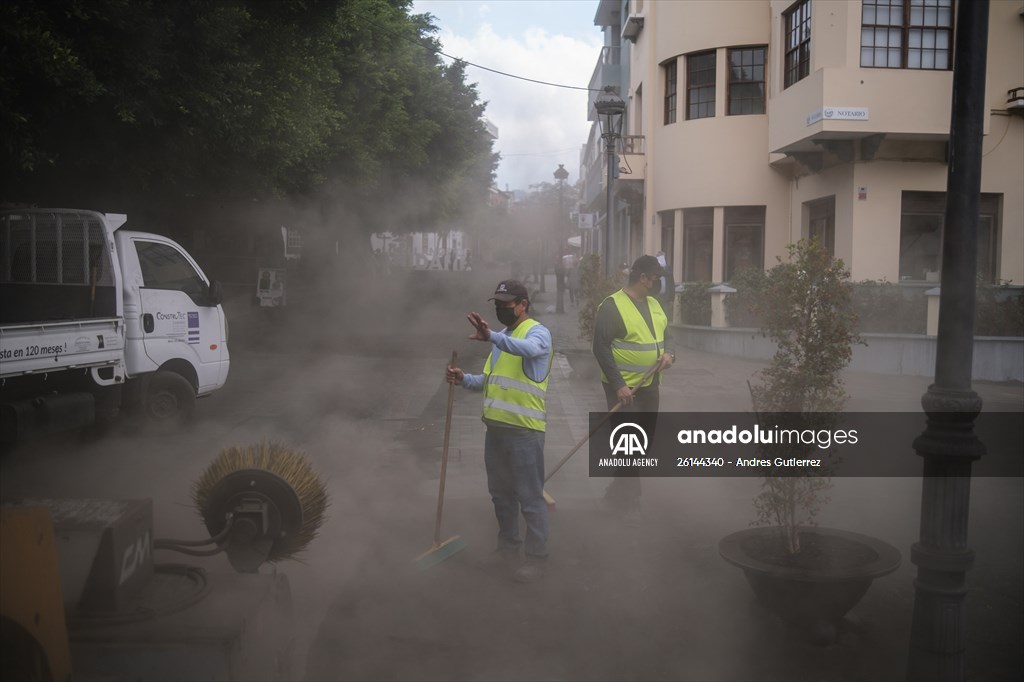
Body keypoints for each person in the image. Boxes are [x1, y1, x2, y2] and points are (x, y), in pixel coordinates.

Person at [446, 280, 554, 583]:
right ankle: (507, 550)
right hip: (496, 431)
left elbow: (528, 350)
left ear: (523, 304)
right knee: (501, 496)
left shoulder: (538, 333)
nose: (500, 308)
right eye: (497, 303)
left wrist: (491, 336)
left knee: (530, 498)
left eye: (506, 303)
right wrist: (463, 379)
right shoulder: (502, 338)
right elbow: (490, 380)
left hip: (525, 432)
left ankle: (537, 558)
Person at [592, 255, 675, 523]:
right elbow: (600, 347)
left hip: (650, 385)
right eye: (656, 278)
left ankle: (615, 493)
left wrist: (669, 354)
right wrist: (618, 385)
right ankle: (630, 502)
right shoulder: (612, 306)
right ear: (643, 278)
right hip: (625, 391)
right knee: (630, 444)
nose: (658, 283)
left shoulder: (655, 305)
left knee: (644, 444)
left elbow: (667, 336)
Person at [656, 251, 676, 323]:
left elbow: (671, 284)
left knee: (665, 316)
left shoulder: (667, 269)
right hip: (656, 296)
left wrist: (671, 299)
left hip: (665, 297)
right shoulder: (655, 269)